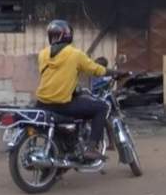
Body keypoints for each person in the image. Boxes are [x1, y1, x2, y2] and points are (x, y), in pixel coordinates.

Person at [35, 19, 123, 162]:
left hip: (41, 103)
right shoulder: (75, 54)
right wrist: (114, 72)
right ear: (68, 36)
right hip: (62, 104)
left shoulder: (42, 54)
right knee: (102, 107)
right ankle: (91, 148)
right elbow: (96, 69)